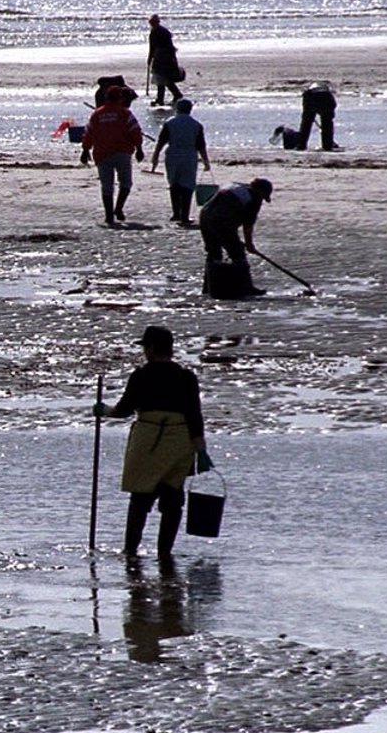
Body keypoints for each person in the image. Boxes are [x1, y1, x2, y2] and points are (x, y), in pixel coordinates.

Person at [94, 326, 210, 560]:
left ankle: (130, 553)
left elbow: (124, 410)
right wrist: (201, 451)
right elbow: (195, 416)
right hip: (179, 442)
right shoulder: (186, 377)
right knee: (173, 499)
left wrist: (104, 410)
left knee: (140, 498)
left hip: (148, 441)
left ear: (151, 348)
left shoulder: (141, 376)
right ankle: (165, 555)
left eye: (145, 347)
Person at [82, 83, 144, 226]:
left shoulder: (97, 114)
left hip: (102, 153)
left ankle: (109, 215)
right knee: (126, 183)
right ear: (120, 98)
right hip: (122, 153)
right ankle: (118, 208)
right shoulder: (125, 114)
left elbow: (88, 133)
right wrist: (139, 148)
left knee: (107, 185)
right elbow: (135, 131)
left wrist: (85, 150)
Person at [198, 178, 272, 297]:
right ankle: (246, 287)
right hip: (221, 220)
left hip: (205, 215)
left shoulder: (235, 186)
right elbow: (248, 226)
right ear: (260, 191)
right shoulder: (254, 198)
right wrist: (249, 244)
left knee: (213, 252)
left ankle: (209, 288)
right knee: (237, 252)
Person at [150, 98, 210, 226]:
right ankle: (185, 215)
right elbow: (201, 145)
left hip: (172, 155)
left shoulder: (170, 123)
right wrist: (206, 162)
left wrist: (155, 157)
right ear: (190, 109)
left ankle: (176, 212)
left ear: (177, 109)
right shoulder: (196, 124)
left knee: (174, 184)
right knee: (188, 186)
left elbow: (161, 142)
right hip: (189, 156)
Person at [146, 15, 184, 107]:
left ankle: (166, 97)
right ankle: (169, 96)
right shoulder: (164, 31)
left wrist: (150, 58)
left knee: (161, 78)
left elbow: (152, 47)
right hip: (167, 57)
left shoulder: (155, 32)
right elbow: (170, 46)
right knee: (164, 79)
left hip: (161, 58)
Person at [295, 81, 339, 150]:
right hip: (323, 98)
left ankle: (301, 145)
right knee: (327, 124)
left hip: (312, 97)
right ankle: (327, 145)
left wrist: (308, 113)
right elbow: (332, 106)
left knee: (306, 124)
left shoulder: (308, 94)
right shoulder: (329, 96)